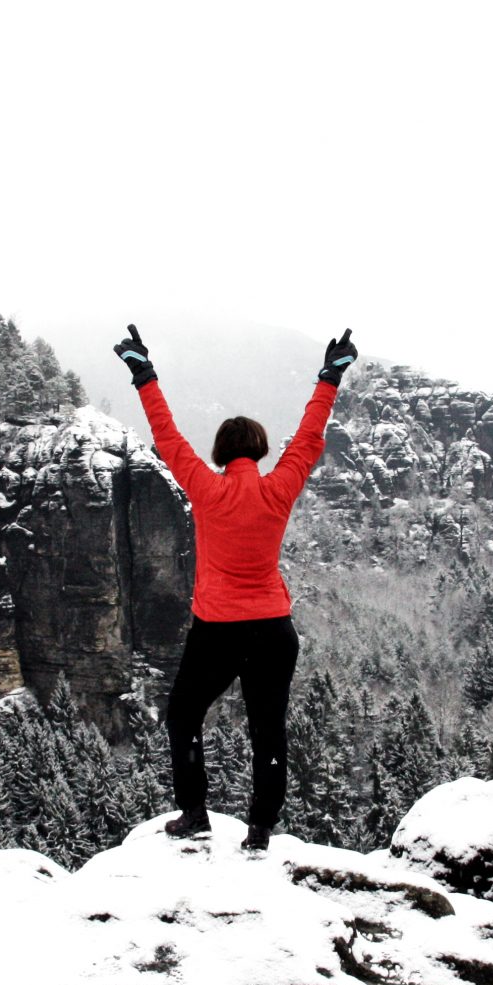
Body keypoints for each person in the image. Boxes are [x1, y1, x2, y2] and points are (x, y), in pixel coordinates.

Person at [113, 322, 358, 853]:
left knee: (184, 715)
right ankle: (260, 829)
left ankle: (194, 813)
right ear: (261, 450)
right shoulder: (278, 488)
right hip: (273, 630)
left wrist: (144, 375)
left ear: (222, 452)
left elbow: (168, 438)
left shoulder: (206, 489)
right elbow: (308, 439)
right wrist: (329, 379)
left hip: (218, 630)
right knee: (268, 728)